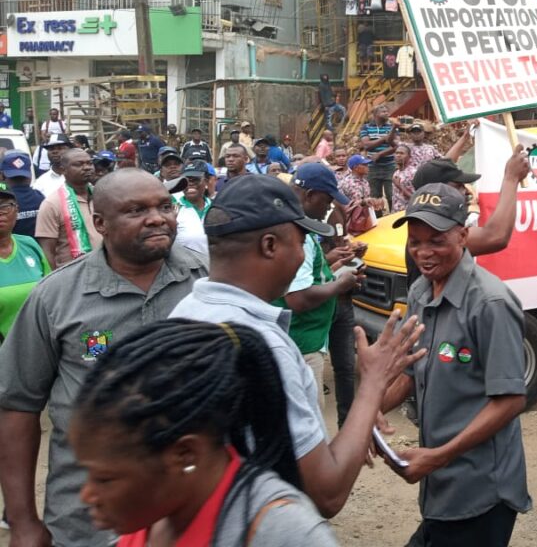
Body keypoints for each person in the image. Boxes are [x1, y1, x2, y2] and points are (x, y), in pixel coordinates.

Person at [169, 174, 426, 519]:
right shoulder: (264, 349)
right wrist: (374, 384)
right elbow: (326, 493)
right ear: (270, 245)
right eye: (302, 239)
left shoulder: (186, 312)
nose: (305, 251)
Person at [0, 169, 208, 547]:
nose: (158, 217)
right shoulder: (56, 297)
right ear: (101, 223)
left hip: (193, 517)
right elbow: (17, 407)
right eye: (136, 210)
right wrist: (23, 521)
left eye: (165, 206)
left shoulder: (208, 283)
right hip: (89, 524)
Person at [69, 320, 338, 546]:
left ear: (185, 455)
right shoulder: (152, 516)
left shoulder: (283, 533)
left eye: (104, 479)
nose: (87, 495)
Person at [378, 184, 531, 545]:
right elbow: (412, 369)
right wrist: (374, 408)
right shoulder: (420, 292)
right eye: (415, 241)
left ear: (463, 235)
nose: (423, 252)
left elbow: (511, 400)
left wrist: (437, 457)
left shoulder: (490, 303)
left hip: (480, 490)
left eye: (436, 240)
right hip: (441, 487)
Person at [274, 162, 357, 408]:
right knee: (309, 427)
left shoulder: (296, 227)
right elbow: (297, 297)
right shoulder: (295, 234)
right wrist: (340, 285)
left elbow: (302, 278)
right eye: (327, 200)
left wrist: (332, 273)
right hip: (302, 343)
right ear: (310, 196)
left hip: (304, 339)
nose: (329, 207)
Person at [35, 148, 102, 269]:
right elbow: (47, 252)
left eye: (89, 163)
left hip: (105, 272)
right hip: (72, 277)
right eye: (78, 164)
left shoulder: (102, 197)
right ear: (63, 170)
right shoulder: (52, 204)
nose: (87, 167)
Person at [0, 182, 49, 340]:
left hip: (36, 347)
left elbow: (50, 293)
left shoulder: (29, 244)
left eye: (5, 206)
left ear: (17, 211)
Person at [359, 104, 398, 206]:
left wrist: (379, 154)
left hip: (390, 166)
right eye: (383, 111)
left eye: (387, 111)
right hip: (372, 167)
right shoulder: (366, 127)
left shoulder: (392, 127)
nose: (386, 113)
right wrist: (384, 139)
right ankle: (378, 219)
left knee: (391, 195)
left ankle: (393, 217)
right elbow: (366, 145)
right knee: (375, 196)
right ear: (375, 114)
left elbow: (395, 146)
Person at [1, 151, 45, 238]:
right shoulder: (41, 198)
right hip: (38, 250)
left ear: (2, 176)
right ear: (30, 175)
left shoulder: (3, 203)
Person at [172, 161, 212, 255]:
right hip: (185, 267)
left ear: (206, 181)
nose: (190, 183)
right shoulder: (173, 209)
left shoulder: (215, 208)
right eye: (186, 181)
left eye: (195, 179)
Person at [392, 144, 416, 211]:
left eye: (402, 153)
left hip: (408, 212)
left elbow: (416, 198)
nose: (398, 155)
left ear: (409, 157)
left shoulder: (413, 173)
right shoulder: (396, 173)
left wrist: (399, 186)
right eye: (396, 153)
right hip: (396, 212)